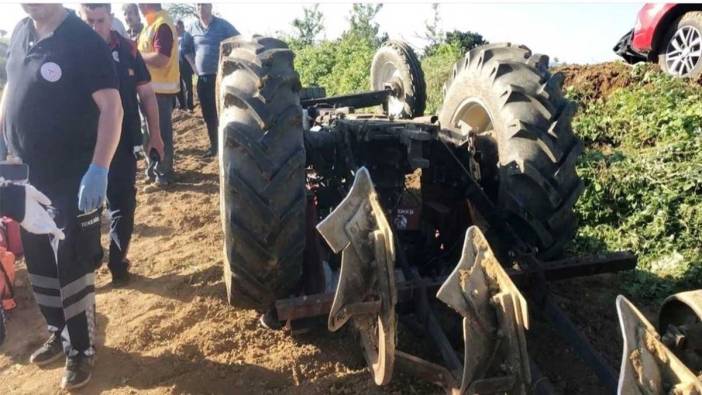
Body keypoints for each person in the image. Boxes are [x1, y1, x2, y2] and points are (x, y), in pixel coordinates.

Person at [0, 4, 122, 389]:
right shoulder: (20, 32)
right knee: (38, 260)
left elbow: (112, 109)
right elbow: (10, 89)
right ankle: (59, 333)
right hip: (27, 176)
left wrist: (99, 168)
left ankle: (82, 349)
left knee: (73, 264)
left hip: (74, 176)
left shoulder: (83, 40)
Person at [79, 3, 165, 286]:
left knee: (122, 205)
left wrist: (156, 135)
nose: (94, 27)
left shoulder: (128, 51)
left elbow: (147, 95)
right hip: (83, 148)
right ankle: (90, 261)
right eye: (88, 20)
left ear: (110, 18)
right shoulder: (71, 53)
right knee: (86, 209)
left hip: (123, 141)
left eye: (100, 20)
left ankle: (118, 262)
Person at [183, 3, 239, 158]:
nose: (201, 8)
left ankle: (227, 145)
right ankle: (214, 146)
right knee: (208, 114)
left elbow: (238, 40)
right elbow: (184, 49)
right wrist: (194, 67)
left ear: (211, 6)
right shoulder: (192, 28)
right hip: (202, 78)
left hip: (221, 77)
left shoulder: (222, 25)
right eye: (198, 5)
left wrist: (228, 62)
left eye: (204, 4)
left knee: (223, 112)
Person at [137, 3, 179, 186]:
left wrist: (137, 56)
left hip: (160, 91)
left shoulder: (161, 24)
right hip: (148, 89)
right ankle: (153, 170)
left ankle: (163, 173)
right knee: (149, 133)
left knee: (160, 133)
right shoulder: (150, 24)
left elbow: (162, 58)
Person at [175, 19, 194, 112]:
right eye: (175, 27)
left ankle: (190, 106)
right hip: (176, 65)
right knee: (178, 86)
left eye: (178, 27)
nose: (177, 29)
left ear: (182, 26)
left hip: (186, 64)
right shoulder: (174, 38)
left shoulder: (186, 36)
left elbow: (188, 50)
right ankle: (182, 106)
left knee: (188, 86)